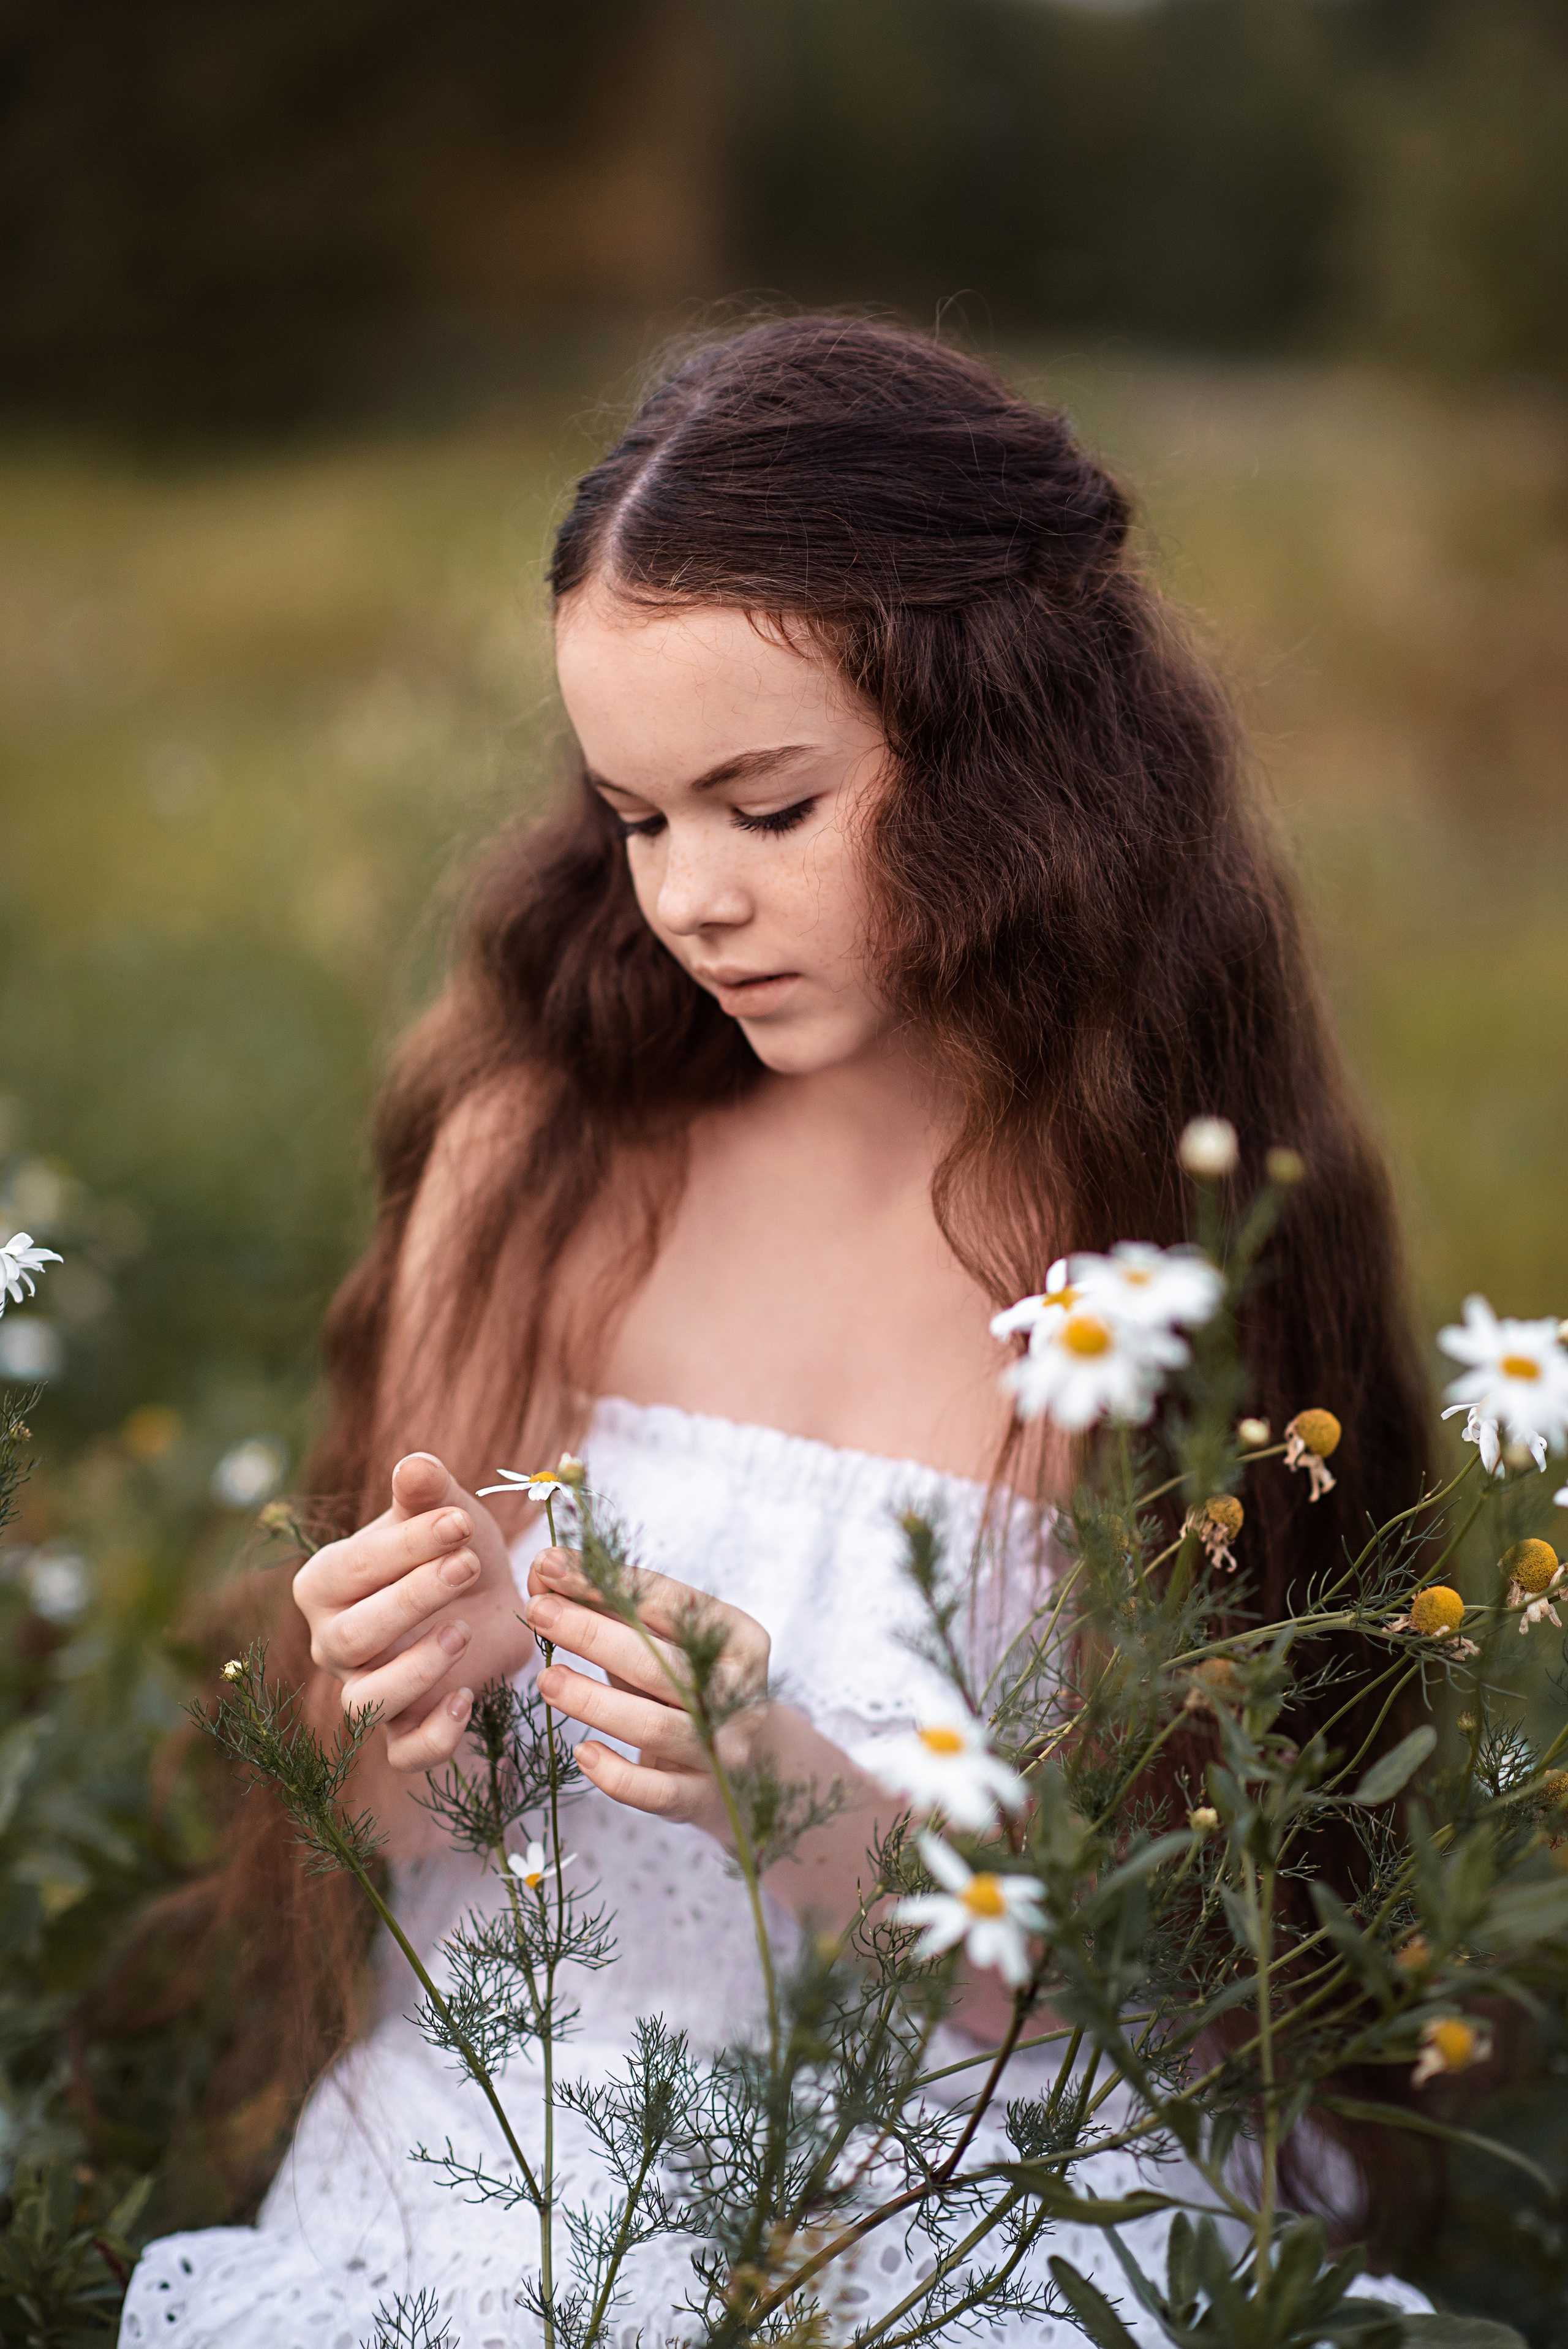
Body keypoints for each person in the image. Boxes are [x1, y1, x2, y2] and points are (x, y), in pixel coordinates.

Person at [119, 317, 1437, 2346]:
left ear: (1018, 765)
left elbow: (1223, 1962)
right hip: (546, 2139)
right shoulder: (551, 1158)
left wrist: (801, 1796)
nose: (691, 900)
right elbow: (367, 1857)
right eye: (640, 817)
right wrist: (418, 1669)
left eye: (768, 804)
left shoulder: (1155, 1249)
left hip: (997, 2182)